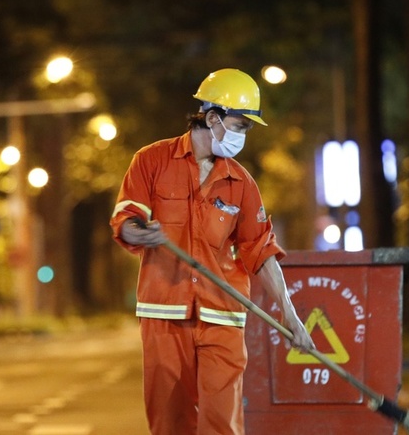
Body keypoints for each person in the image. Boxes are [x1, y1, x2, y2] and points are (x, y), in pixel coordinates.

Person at [110, 68, 316, 435]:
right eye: (239, 125)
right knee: (169, 421)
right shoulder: (151, 161)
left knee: (222, 422)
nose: (243, 136)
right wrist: (141, 233)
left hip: (222, 313)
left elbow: (260, 250)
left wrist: (290, 315)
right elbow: (126, 218)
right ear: (211, 118)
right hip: (164, 312)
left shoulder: (241, 183)